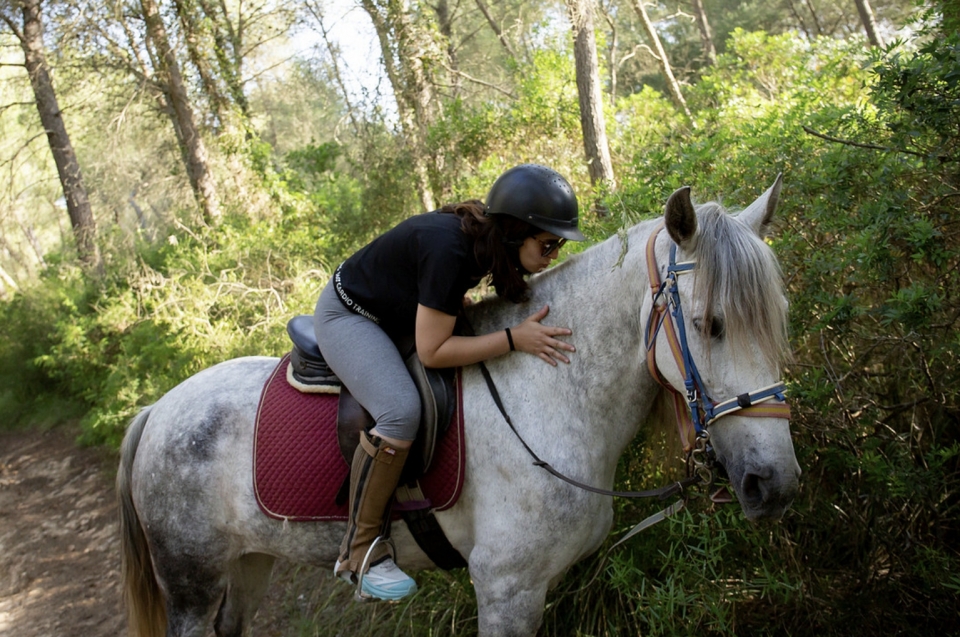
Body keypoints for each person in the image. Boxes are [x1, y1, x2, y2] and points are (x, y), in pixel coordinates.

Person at [313, 163, 584, 601]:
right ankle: (358, 552)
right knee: (400, 411)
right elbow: (433, 352)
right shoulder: (450, 251)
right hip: (349, 316)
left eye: (559, 246)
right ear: (515, 233)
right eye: (548, 244)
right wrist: (514, 339)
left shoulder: (484, 244)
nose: (553, 255)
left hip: (395, 309)